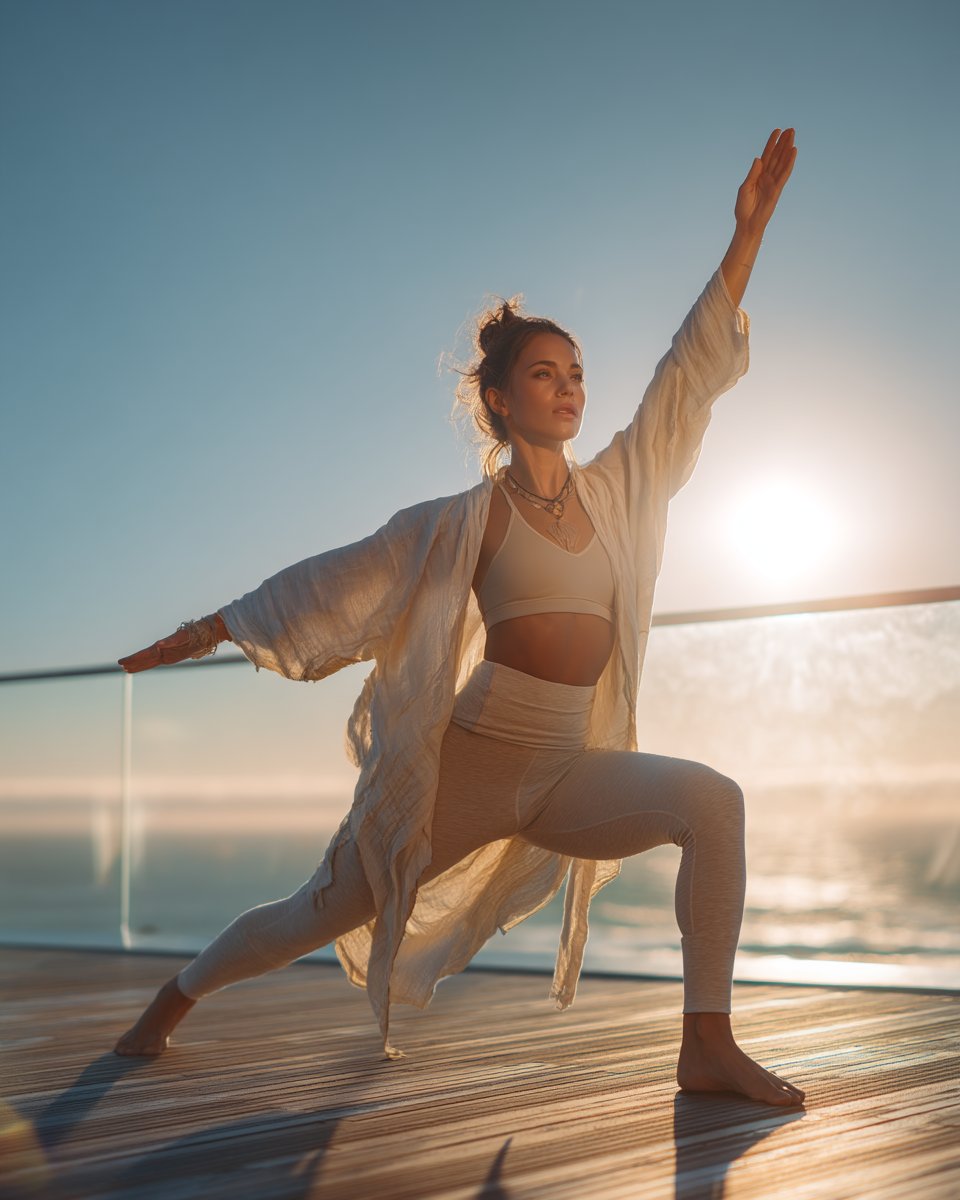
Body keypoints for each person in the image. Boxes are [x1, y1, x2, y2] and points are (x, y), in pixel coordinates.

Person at [114, 130, 803, 1107]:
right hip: (468, 767)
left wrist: (748, 235)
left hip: (571, 769)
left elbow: (686, 375)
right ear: (497, 400)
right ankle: (173, 999)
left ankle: (706, 1045)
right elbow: (329, 583)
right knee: (322, 907)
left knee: (713, 803)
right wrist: (205, 631)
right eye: (543, 375)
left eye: (574, 374)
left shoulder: (619, 489)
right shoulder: (457, 525)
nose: (567, 389)